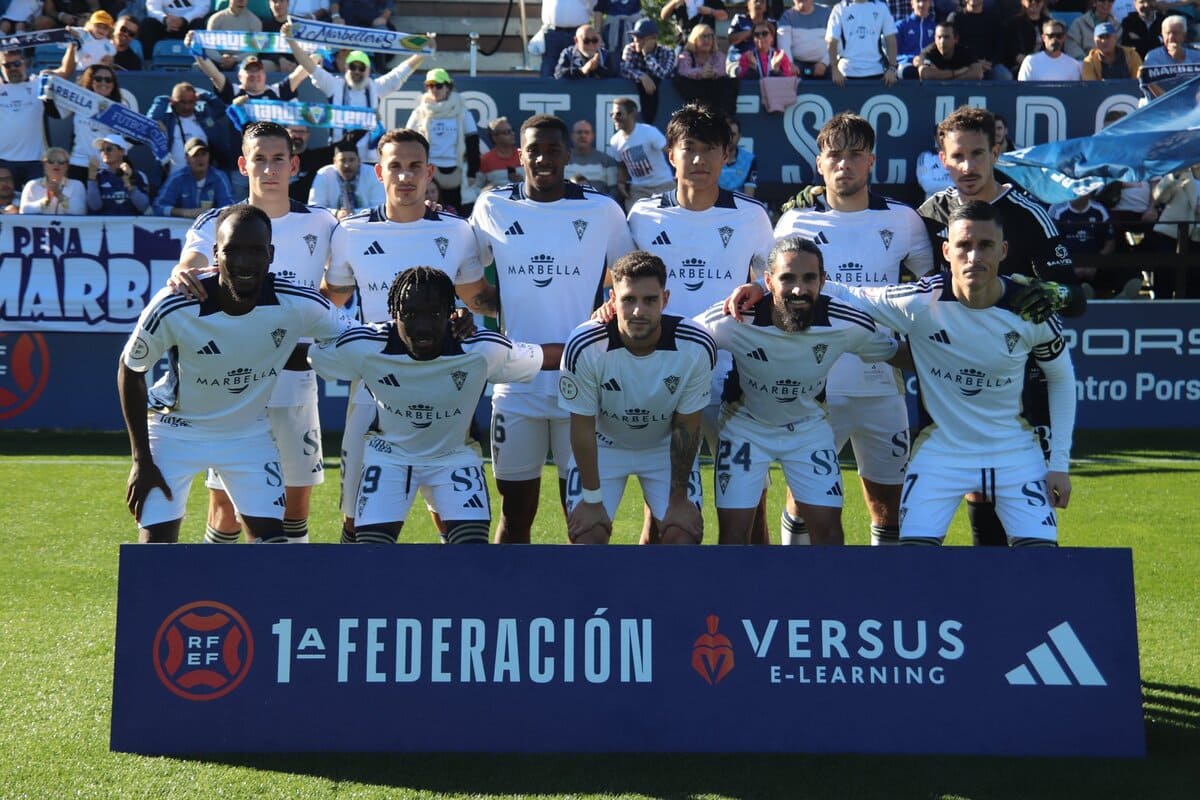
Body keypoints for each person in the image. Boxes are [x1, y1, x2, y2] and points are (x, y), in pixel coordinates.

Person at [814, 202, 1076, 547]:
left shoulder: (1029, 308)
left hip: (1013, 449)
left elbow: (1061, 378)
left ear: (1003, 251)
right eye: (964, 245)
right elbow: (846, 293)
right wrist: (763, 285)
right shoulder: (921, 301)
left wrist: (1058, 463)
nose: (973, 256)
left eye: (985, 245)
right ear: (946, 250)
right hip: (941, 451)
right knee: (915, 564)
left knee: (1041, 564)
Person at [118, 205, 347, 544]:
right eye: (232, 250)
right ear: (215, 253)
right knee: (156, 552)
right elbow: (130, 369)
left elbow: (354, 340)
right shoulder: (175, 304)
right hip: (174, 433)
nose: (243, 262)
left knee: (273, 548)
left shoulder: (297, 303)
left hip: (247, 434)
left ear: (270, 255)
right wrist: (141, 460)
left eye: (255, 251)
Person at [167, 121, 340, 546]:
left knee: (295, 506)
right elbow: (189, 263)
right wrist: (183, 271)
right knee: (226, 508)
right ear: (244, 165)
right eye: (259, 159)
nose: (269, 169)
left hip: (295, 384)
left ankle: (290, 602)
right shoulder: (219, 221)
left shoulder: (323, 223)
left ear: (294, 164)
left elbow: (335, 290)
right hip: (233, 391)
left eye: (278, 158)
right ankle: (218, 598)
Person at [919, 105, 1084, 548]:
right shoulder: (930, 215)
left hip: (1021, 378)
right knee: (977, 490)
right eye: (958, 156)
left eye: (978, 154)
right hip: (954, 376)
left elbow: (1075, 298)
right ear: (942, 158)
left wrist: (1042, 292)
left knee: (1026, 508)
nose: (968, 167)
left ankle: (1027, 604)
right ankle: (986, 608)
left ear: (996, 152)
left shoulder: (1027, 211)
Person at [320, 127, 494, 543]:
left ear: (430, 171)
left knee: (451, 513)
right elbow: (330, 301)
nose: (405, 176)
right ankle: (351, 601)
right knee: (355, 515)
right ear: (378, 172)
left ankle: (451, 599)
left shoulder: (457, 231)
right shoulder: (351, 231)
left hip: (445, 391)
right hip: (373, 392)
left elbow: (476, 299)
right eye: (395, 167)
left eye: (415, 166)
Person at [470, 114, 636, 544]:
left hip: (579, 387)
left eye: (553, 149)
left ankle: (583, 608)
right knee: (515, 511)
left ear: (567, 153)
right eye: (534, 150)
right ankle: (511, 606)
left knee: (583, 518)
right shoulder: (493, 205)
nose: (543, 158)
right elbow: (468, 271)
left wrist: (607, 310)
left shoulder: (601, 209)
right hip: (515, 387)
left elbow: (626, 278)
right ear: (519, 154)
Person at [308, 267, 561, 545]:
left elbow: (547, 358)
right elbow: (310, 357)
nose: (423, 326)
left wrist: (601, 341)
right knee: (370, 560)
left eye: (435, 314)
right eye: (411, 315)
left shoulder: (480, 349)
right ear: (394, 314)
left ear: (451, 312)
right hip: (389, 456)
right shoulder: (366, 345)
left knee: (471, 557)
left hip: (453, 457)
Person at [771, 112, 932, 546]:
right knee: (805, 499)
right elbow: (772, 294)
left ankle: (883, 596)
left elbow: (933, 288)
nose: (844, 164)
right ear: (819, 164)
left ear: (871, 161)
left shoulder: (904, 221)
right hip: (813, 385)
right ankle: (794, 591)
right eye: (834, 155)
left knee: (889, 505)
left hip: (882, 383)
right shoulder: (793, 223)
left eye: (855, 155)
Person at [627, 102, 775, 543]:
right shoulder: (643, 215)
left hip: (733, 377)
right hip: (660, 376)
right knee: (662, 508)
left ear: (727, 155)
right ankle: (652, 608)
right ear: (670, 153)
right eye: (688, 148)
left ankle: (753, 603)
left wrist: (761, 290)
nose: (699, 160)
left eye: (710, 149)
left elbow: (775, 280)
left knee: (751, 507)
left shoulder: (751, 215)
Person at [702, 237, 901, 545]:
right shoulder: (734, 317)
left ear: (823, 281)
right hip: (745, 427)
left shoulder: (846, 322)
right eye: (787, 278)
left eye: (809, 278)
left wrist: (963, 358)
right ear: (768, 281)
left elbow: (895, 353)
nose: (798, 289)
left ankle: (818, 594)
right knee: (733, 537)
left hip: (809, 429)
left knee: (830, 535)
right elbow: (684, 339)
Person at [559, 251, 714, 545]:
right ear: (612, 297)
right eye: (628, 299)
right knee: (586, 536)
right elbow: (581, 427)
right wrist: (592, 501)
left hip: (663, 447)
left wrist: (679, 498)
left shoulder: (695, 344)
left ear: (665, 299)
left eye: (650, 300)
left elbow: (687, 426)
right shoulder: (585, 344)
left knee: (683, 536)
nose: (638, 311)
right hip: (604, 447)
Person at [287, 28, 425, 163]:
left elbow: (402, 72)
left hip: (369, 159)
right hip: (339, 158)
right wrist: (291, 40)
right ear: (347, 68)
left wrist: (423, 51)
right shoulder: (334, 85)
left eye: (361, 68)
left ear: (368, 70)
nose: (357, 71)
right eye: (353, 67)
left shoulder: (376, 87)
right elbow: (309, 66)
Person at [404, 68, 480, 211]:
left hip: (455, 169)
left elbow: (473, 142)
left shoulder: (462, 111)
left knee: (453, 210)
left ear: (448, 87)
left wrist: (472, 172)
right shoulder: (420, 111)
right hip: (429, 169)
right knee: (428, 210)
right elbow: (408, 140)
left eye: (438, 85)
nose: (434, 89)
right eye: (430, 85)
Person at [46, 65, 137, 184]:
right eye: (98, 79)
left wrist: (153, 128)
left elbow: (135, 137)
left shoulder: (119, 108)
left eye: (108, 80)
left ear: (113, 84)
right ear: (90, 81)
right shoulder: (77, 102)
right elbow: (55, 114)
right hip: (79, 165)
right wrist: (47, 93)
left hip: (108, 166)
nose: (103, 82)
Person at [1049, 192, 1138, 298]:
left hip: (1095, 261)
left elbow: (1110, 243)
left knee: (1118, 265)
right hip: (1067, 261)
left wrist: (1095, 263)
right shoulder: (1057, 210)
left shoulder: (1100, 210)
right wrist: (1070, 265)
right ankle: (1081, 296)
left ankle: (1121, 297)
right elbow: (1051, 244)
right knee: (1058, 272)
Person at [609, 96, 674, 211]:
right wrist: (621, 183)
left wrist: (679, 173)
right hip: (638, 190)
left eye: (618, 114)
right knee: (634, 219)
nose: (614, 118)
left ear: (632, 114)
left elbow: (671, 152)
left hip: (663, 185)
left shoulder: (649, 132)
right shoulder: (615, 141)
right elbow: (621, 166)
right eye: (612, 114)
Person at [0, 51, 51, 188]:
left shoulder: (39, 83)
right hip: (3, 161)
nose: (12, 68)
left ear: (25, 63)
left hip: (35, 160)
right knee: (5, 206)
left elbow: (65, 71)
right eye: (7, 65)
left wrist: (72, 45)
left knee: (36, 204)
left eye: (17, 63)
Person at [152, 137, 236, 217]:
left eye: (204, 154)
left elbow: (229, 208)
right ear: (186, 158)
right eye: (195, 155)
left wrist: (210, 215)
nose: (200, 159)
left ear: (209, 156)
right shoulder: (177, 179)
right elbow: (158, 207)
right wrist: (184, 213)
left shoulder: (219, 178)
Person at [827, 0, 899, 87]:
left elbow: (890, 38)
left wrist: (892, 68)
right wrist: (834, 69)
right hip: (845, 75)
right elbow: (831, 40)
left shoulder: (881, 7)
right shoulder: (840, 8)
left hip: (876, 72)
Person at [619, 18, 676, 125]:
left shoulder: (667, 52)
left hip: (663, 106)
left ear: (653, 38)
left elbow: (664, 74)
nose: (636, 40)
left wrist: (648, 55)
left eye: (640, 37)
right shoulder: (630, 49)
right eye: (634, 36)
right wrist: (642, 76)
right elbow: (625, 69)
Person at [307, 140, 385, 217]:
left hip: (367, 223)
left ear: (359, 160)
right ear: (334, 161)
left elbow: (380, 206)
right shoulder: (324, 174)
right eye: (342, 160)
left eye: (351, 160)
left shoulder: (372, 173)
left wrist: (354, 213)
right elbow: (315, 207)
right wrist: (336, 213)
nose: (347, 165)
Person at [87, 134, 150, 216]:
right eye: (102, 150)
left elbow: (143, 206)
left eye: (109, 149)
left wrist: (129, 183)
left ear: (122, 152)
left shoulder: (138, 175)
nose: (105, 152)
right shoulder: (98, 176)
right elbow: (95, 206)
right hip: (106, 226)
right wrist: (92, 178)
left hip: (131, 227)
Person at [947, 0, 1011, 80]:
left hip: (989, 66)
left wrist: (991, 63)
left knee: (1004, 75)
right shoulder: (955, 18)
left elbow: (1000, 46)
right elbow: (950, 47)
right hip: (963, 66)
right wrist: (975, 63)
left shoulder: (993, 18)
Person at [537, 0, 599, 78]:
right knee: (549, 68)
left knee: (576, 70)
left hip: (579, 33)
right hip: (552, 31)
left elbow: (594, 5)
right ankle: (546, 90)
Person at [18, 147, 87, 215]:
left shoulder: (77, 185)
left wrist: (60, 195)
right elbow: (24, 210)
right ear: (44, 165)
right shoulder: (32, 184)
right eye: (51, 161)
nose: (56, 164)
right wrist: (46, 201)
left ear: (67, 166)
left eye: (61, 161)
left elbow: (80, 211)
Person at [914, 19, 988, 78]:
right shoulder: (928, 52)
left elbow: (978, 72)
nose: (942, 42)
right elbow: (924, 72)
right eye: (939, 37)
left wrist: (949, 80)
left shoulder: (964, 51)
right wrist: (956, 73)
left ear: (956, 39)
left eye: (946, 37)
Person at [565, 119, 619, 198]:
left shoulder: (606, 161)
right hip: (568, 206)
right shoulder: (562, 159)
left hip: (598, 206)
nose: (583, 135)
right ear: (572, 136)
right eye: (579, 132)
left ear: (593, 136)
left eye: (586, 132)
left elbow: (614, 190)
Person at [778, 0, 832, 78]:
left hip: (825, 66)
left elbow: (836, 42)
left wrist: (824, 63)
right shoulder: (787, 16)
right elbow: (784, 45)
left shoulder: (827, 13)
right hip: (797, 67)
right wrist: (789, 64)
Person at [1019, 18, 1084, 79]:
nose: (1054, 39)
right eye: (1051, 36)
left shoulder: (1074, 65)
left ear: (1064, 37)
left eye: (1059, 36)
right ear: (1043, 38)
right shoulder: (1030, 62)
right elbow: (1022, 89)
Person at [140, 0, 211, 56]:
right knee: (148, 24)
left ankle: (200, 61)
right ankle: (148, 61)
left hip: (189, 24)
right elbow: (152, 8)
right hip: (166, 25)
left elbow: (202, 8)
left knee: (200, 24)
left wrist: (184, 20)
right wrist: (165, 19)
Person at [1003, 0, 1052, 77]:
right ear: (1022, 2)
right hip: (1021, 65)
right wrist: (1028, 62)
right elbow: (1012, 51)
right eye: (1029, 0)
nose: (1033, 3)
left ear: (1043, 3)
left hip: (1045, 64)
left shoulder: (1050, 24)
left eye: (1038, 1)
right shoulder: (1014, 24)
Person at [554, 22, 619, 79]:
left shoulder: (605, 55)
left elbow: (612, 77)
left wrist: (597, 68)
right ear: (576, 41)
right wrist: (582, 71)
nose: (591, 45)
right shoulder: (568, 53)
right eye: (586, 41)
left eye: (594, 41)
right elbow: (558, 74)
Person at [477, 117, 523, 192]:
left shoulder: (523, 155)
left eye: (512, 130)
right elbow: (475, 188)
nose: (513, 134)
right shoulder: (484, 160)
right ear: (495, 137)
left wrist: (523, 181)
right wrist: (485, 191)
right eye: (507, 132)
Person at [897, 0, 937, 79]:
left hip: (929, 65)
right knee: (907, 72)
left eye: (925, 1)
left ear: (930, 3)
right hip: (907, 65)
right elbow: (892, 54)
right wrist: (912, 59)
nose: (921, 4)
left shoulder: (936, 27)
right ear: (912, 3)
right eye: (918, 1)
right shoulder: (900, 26)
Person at [719, 117, 757, 195]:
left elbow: (749, 196)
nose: (729, 138)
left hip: (739, 205)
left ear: (739, 136)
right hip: (714, 204)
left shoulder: (749, 160)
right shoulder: (712, 157)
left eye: (733, 134)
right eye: (727, 134)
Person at [659, 0, 728, 42]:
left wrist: (711, 11)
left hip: (706, 43)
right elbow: (663, 16)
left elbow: (724, 16)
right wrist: (674, 2)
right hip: (684, 42)